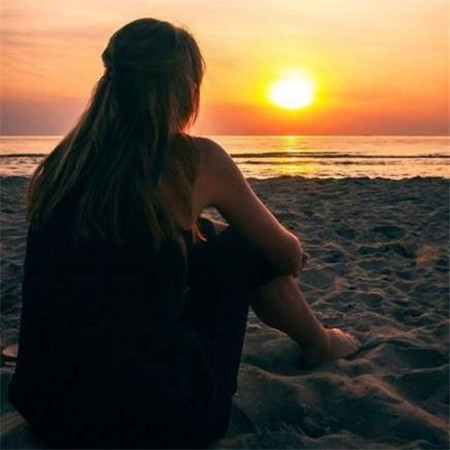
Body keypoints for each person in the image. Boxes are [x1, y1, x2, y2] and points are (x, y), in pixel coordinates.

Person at [8, 18, 360, 449]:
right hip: (162, 422)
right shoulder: (195, 160)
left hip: (48, 411)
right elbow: (285, 255)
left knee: (201, 235)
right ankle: (321, 343)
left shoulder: (65, 164)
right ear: (184, 89)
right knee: (243, 245)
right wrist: (277, 250)